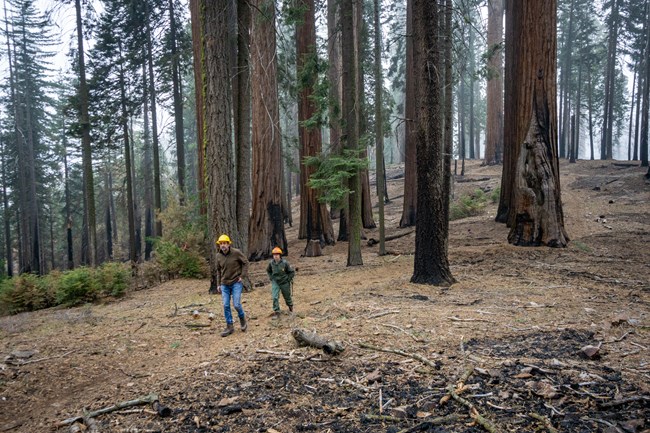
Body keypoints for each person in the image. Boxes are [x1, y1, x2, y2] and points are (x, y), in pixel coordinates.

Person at [215, 234, 249, 337]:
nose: (223, 245)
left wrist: (242, 276)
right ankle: (229, 326)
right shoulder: (218, 256)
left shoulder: (236, 253)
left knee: (237, 304)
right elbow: (218, 271)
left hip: (236, 282)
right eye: (221, 244)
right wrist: (218, 284)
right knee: (225, 305)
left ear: (229, 244)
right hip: (224, 284)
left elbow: (246, 262)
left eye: (225, 243)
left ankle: (242, 319)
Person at [266, 247, 295, 318]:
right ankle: (277, 312)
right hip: (275, 282)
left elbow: (291, 272)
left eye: (277, 254)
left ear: (280, 255)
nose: (275, 256)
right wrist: (271, 278)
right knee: (275, 297)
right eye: (274, 255)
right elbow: (268, 271)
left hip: (284, 282)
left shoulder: (285, 263)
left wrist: (288, 279)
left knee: (287, 296)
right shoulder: (271, 263)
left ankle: (291, 308)